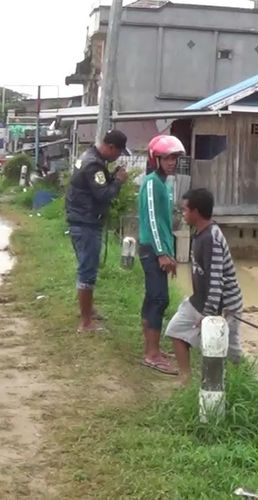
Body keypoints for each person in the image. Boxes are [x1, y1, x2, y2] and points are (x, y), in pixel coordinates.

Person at [165, 188, 243, 385]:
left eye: (185, 210)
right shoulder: (199, 234)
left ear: (196, 212)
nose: (182, 214)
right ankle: (185, 377)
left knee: (229, 353)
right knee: (175, 330)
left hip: (225, 307)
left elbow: (216, 282)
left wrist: (208, 316)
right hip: (199, 301)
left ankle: (238, 385)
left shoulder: (212, 239)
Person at [66, 129, 129, 333]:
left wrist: (110, 176)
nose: (118, 157)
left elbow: (92, 188)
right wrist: (118, 180)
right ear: (111, 147)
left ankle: (88, 310)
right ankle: (86, 323)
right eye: (118, 153)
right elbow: (103, 195)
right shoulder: (94, 165)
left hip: (79, 219)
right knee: (87, 270)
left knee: (86, 266)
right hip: (86, 223)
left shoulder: (89, 157)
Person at [138, 135, 183, 375]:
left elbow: (165, 224)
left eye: (174, 158)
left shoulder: (163, 183)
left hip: (159, 249)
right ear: (156, 159)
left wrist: (170, 252)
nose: (172, 162)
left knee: (154, 298)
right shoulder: (152, 182)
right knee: (158, 299)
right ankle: (151, 354)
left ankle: (152, 349)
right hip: (152, 250)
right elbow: (153, 221)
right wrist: (162, 253)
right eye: (167, 158)